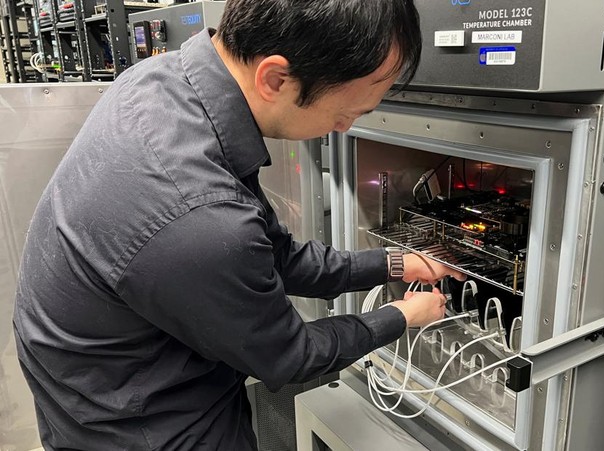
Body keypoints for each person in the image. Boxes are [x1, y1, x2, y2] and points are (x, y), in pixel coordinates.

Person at [13, 0, 463, 449]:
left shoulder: (166, 83)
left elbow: (275, 257)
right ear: (276, 79)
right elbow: (290, 357)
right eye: (348, 114)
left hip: (110, 382)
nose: (344, 129)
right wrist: (401, 316)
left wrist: (395, 264)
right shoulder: (199, 212)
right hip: (143, 426)